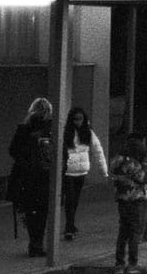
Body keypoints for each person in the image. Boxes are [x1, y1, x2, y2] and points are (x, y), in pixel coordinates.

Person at [8, 97, 56, 256]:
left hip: (26, 176)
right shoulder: (52, 129)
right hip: (44, 175)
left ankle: (33, 243)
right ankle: (38, 243)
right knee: (42, 211)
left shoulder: (24, 128)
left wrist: (25, 162)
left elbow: (13, 150)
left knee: (30, 210)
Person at [60, 106, 108, 241]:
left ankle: (71, 224)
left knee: (74, 200)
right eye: (75, 119)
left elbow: (98, 151)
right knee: (70, 199)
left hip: (81, 171)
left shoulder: (88, 133)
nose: (78, 122)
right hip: (68, 171)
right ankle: (69, 227)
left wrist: (103, 170)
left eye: (80, 119)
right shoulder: (66, 133)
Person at [109, 133, 147, 273]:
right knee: (135, 231)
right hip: (135, 199)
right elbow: (144, 178)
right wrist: (146, 165)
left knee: (123, 231)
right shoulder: (133, 164)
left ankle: (119, 263)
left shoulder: (117, 161)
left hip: (122, 200)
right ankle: (133, 263)